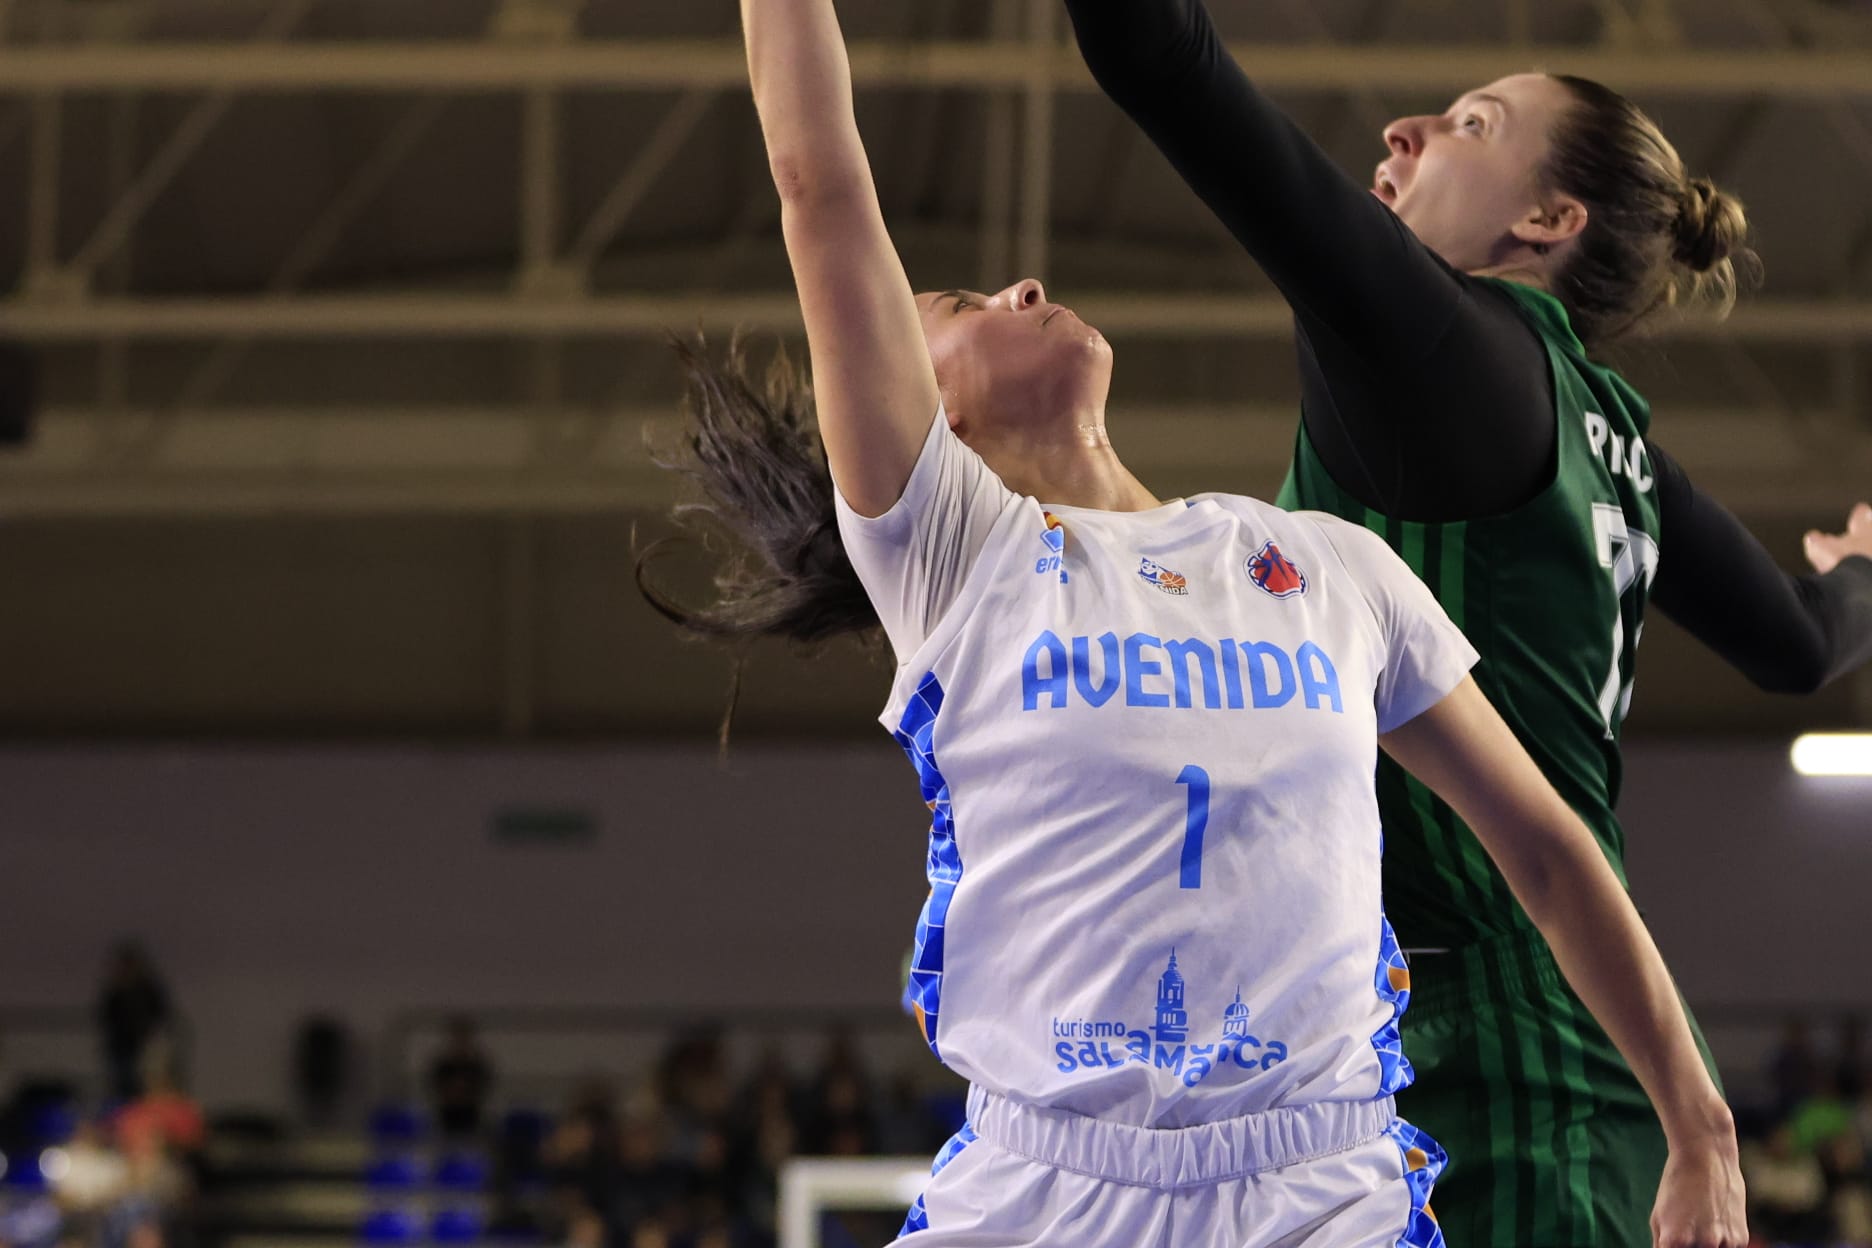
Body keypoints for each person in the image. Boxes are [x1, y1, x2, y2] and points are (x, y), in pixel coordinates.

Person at [642, 4, 1750, 1245]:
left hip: (1319, 1178)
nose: (1026, 284)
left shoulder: (1336, 567)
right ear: (916, 405)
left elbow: (1549, 852)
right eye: (964, 302)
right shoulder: (954, 552)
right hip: (1045, 1176)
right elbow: (818, 174)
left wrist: (1700, 1127)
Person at [1060, 3, 1872, 1244]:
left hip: (1515, 1066)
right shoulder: (1612, 441)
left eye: (1469, 122)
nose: (1406, 125)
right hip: (1499, 1040)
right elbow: (1805, 643)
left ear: (1546, 222)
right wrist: (1864, 573)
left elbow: (1156, 54)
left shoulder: (1440, 360)